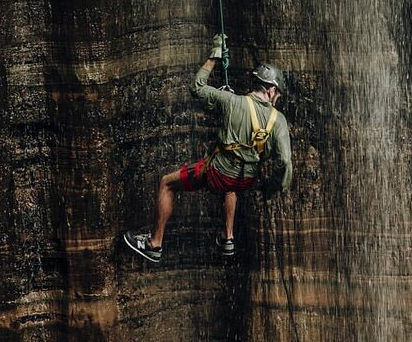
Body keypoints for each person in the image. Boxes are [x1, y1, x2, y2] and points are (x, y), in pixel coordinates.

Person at [123, 34, 293, 263]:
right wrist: (271, 186)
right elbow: (284, 162)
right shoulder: (278, 120)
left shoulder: (230, 101)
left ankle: (155, 244)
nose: (277, 100)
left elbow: (197, 87)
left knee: (166, 183)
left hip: (218, 174)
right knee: (231, 185)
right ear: (271, 90)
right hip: (246, 180)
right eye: (277, 95)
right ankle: (228, 237)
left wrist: (214, 57)